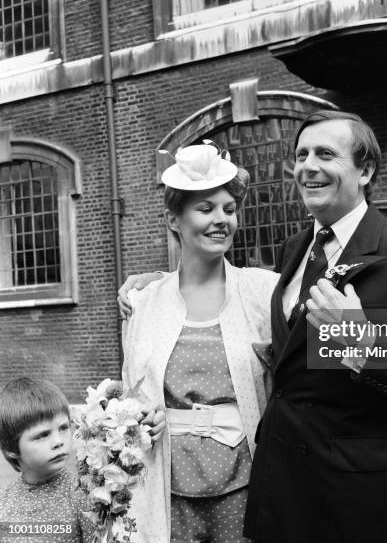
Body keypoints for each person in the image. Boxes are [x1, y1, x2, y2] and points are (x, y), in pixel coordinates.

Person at [119, 111, 387, 542]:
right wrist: (156, 286)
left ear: (365, 169)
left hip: (365, 497)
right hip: (285, 493)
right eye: (301, 155)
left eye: (325, 154)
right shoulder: (294, 250)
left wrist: (362, 343)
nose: (308, 166)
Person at [121, 142, 277, 543]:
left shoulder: (263, 292)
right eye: (205, 209)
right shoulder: (143, 302)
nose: (221, 219)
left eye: (229, 208)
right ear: (174, 220)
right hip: (166, 484)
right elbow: (129, 397)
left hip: (244, 481)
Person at [0, 377, 95, 543]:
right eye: (43, 435)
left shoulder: (81, 494)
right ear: (12, 449)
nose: (59, 441)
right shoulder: (3, 501)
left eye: (64, 428)